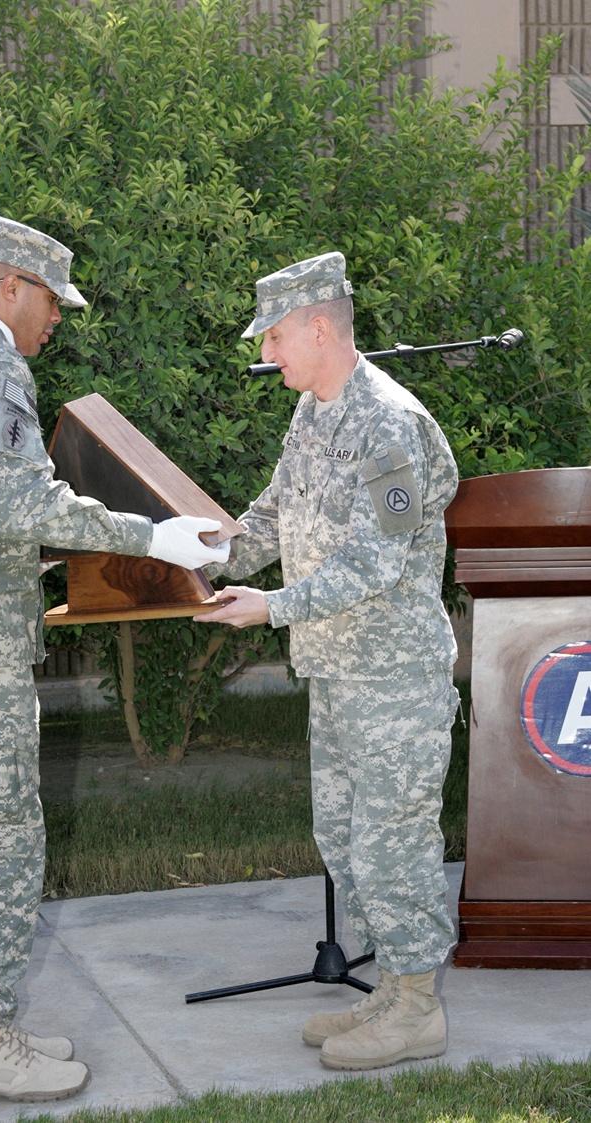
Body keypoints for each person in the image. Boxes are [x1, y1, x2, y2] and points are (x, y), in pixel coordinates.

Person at [0, 214, 228, 1107]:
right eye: (50, 302)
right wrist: (152, 533)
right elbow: (17, 503)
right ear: (9, 287)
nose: (56, 320)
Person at [195, 251, 460, 1072]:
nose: (266, 352)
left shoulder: (390, 422)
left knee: (393, 842)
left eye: (274, 336)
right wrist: (201, 556)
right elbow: (273, 515)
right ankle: (392, 991)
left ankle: (417, 1004)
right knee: (344, 837)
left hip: (393, 679)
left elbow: (375, 563)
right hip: (338, 675)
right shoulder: (314, 411)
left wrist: (270, 607)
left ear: (318, 328)